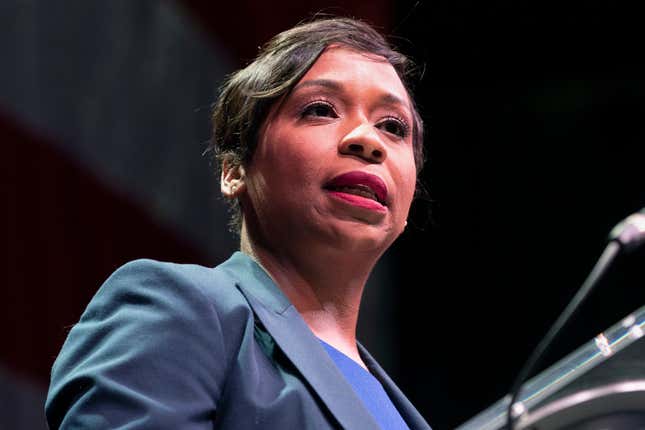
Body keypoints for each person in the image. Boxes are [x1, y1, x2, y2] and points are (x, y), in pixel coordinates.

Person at [45, 17, 431, 429]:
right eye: (320, 110)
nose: (368, 140)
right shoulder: (179, 308)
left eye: (393, 126)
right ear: (234, 171)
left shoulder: (399, 407)